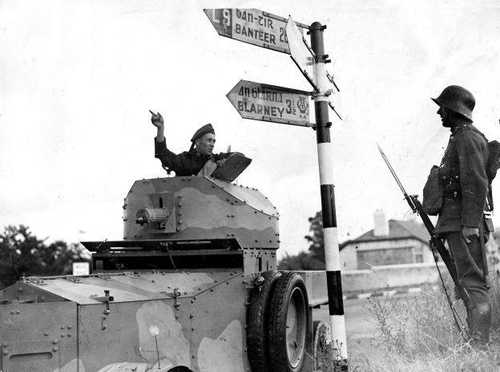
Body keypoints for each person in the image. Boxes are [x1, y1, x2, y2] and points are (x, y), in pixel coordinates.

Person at [431, 85, 491, 344]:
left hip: (464, 225)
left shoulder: (467, 138)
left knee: (472, 283)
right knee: (465, 282)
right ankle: (476, 341)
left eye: (442, 107)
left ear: (454, 109)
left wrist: (468, 225)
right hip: (456, 222)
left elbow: (476, 182)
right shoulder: (461, 136)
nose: (439, 111)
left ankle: (479, 347)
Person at [150, 111, 230, 176]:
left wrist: (226, 161)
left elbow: (237, 159)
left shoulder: (215, 159)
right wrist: (161, 128)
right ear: (198, 142)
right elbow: (163, 153)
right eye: (209, 140)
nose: (212, 144)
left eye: (213, 141)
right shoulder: (184, 160)